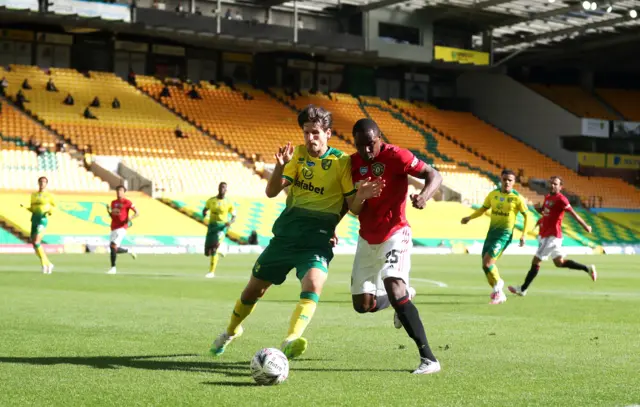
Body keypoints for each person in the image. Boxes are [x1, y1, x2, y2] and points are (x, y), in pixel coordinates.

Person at [209, 105, 382, 359]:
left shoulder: (341, 162)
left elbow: (353, 208)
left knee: (314, 283)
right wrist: (279, 167)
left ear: (328, 134)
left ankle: (291, 338)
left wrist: (362, 197)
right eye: (306, 133)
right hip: (286, 238)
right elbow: (270, 192)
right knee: (253, 291)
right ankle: (231, 331)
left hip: (317, 241)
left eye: (315, 133)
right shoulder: (298, 156)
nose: (310, 138)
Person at [348, 119, 443, 375]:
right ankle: (401, 300)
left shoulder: (397, 155)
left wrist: (424, 195)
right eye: (360, 146)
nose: (367, 151)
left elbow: (434, 174)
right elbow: (351, 207)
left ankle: (429, 358)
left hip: (395, 232)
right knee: (363, 305)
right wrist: (359, 197)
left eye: (371, 144)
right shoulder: (352, 164)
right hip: (367, 238)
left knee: (393, 283)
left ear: (380, 138)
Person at [509, 176, 596, 296]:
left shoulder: (562, 199)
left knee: (536, 261)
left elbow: (574, 214)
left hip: (552, 236)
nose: (553, 186)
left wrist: (586, 226)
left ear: (561, 187)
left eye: (555, 184)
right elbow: (546, 213)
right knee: (559, 263)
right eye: (551, 183)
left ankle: (523, 289)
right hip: (548, 234)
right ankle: (587, 268)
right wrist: (539, 210)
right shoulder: (548, 197)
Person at [461, 169, 531, 305]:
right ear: (501, 179)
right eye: (505, 179)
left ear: (514, 182)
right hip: (491, 234)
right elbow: (483, 209)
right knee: (485, 266)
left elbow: (527, 215)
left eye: (510, 180)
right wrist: (469, 217)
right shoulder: (493, 195)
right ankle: (499, 293)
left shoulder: (517, 198)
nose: (507, 182)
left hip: (504, 235)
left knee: (488, 263)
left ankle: (499, 285)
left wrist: (524, 235)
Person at [21, 177, 55, 274]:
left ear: (46, 184)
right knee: (34, 244)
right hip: (34, 219)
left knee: (36, 241)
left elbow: (54, 206)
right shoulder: (34, 195)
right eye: (40, 182)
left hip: (42, 219)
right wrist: (26, 208)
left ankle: (44, 264)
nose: (42, 184)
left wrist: (50, 212)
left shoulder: (49, 196)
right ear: (38, 183)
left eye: (44, 182)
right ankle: (48, 263)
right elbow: (33, 207)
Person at [202, 182, 236, 279]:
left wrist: (230, 222)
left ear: (226, 190)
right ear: (218, 188)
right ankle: (222, 247)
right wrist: (204, 214)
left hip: (222, 227)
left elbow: (234, 216)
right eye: (221, 187)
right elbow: (205, 209)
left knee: (214, 249)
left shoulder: (229, 203)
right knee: (207, 252)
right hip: (212, 226)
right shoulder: (211, 201)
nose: (222, 189)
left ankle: (211, 272)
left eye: (224, 188)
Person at [106, 186, 138, 275]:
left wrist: (130, 218)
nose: (119, 192)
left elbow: (137, 212)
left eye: (121, 191)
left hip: (122, 227)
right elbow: (113, 216)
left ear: (124, 192)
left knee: (113, 246)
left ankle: (113, 268)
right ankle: (129, 251)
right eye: (117, 190)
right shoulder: (113, 202)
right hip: (113, 227)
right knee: (114, 248)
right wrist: (108, 211)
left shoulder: (127, 202)